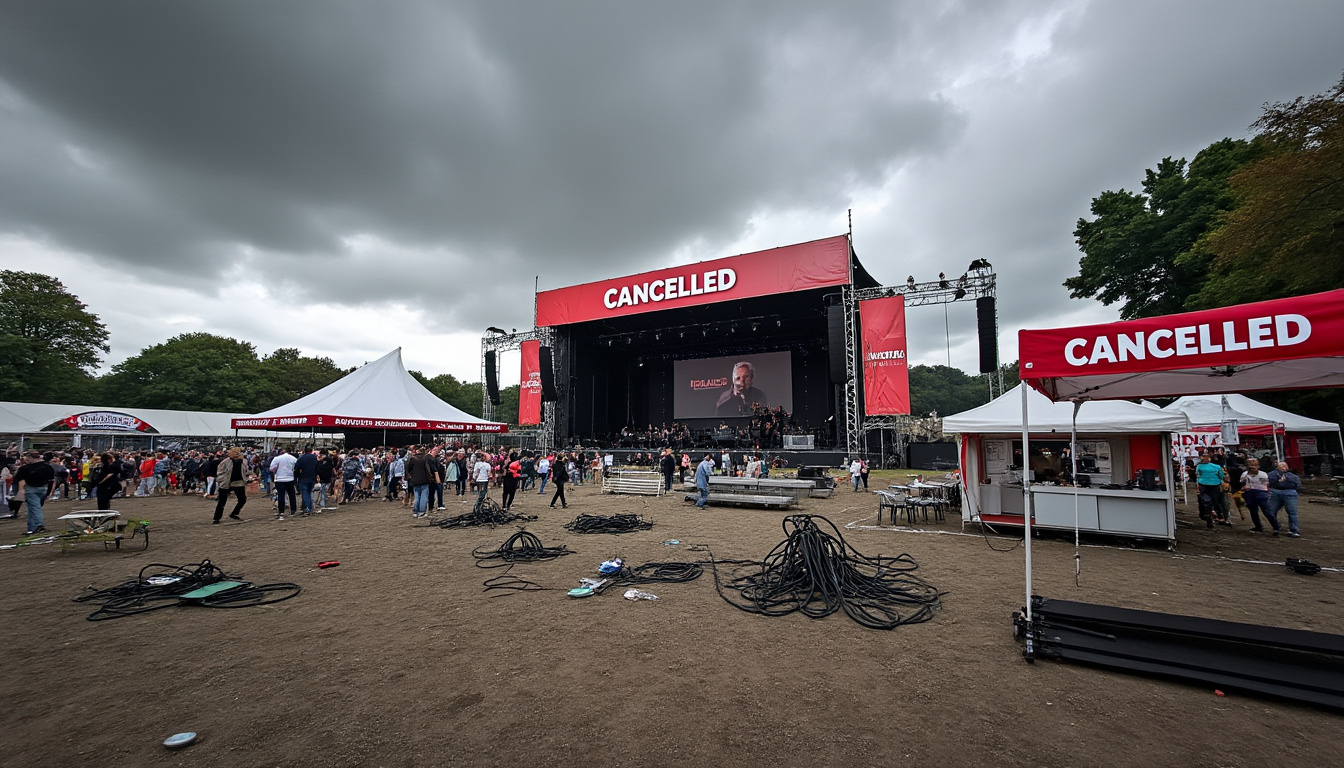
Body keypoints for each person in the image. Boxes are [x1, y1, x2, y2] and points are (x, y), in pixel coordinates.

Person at [13, 450, 55, 535]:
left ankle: (40, 525)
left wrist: (20, 491)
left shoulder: (24, 469)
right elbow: (51, 480)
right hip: (44, 488)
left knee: (35, 508)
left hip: (31, 489)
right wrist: (49, 492)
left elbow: (18, 480)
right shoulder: (47, 467)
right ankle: (31, 528)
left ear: (30, 457)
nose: (25, 460)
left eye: (26, 458)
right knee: (33, 508)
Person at [213, 446, 251, 523]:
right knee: (222, 501)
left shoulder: (244, 461)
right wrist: (221, 479)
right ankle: (217, 518)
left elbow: (246, 471)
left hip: (239, 482)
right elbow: (220, 471)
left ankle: (234, 513)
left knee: (242, 500)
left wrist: (248, 477)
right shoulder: (225, 461)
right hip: (226, 483)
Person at [1239, 458, 1277, 535]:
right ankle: (1261, 526)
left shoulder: (1262, 474)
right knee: (1254, 512)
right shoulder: (1245, 474)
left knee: (1266, 512)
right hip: (1253, 493)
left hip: (1260, 493)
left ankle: (1275, 527)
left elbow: (1265, 485)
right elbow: (1243, 485)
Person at [1266, 461, 1302, 538]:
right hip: (1275, 491)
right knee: (1271, 511)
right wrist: (1278, 481)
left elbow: (1298, 485)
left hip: (1290, 492)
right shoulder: (1271, 474)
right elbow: (1268, 483)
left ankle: (1293, 530)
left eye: (1285, 466)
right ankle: (1276, 527)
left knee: (1292, 512)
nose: (1283, 467)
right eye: (1281, 466)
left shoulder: (1293, 476)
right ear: (1277, 467)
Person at [1193, 452, 1227, 529]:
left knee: (1206, 501)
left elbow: (1197, 475)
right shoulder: (1217, 466)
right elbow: (1221, 475)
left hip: (1203, 484)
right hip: (1215, 484)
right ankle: (1220, 516)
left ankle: (1209, 518)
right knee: (1215, 501)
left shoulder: (1199, 466)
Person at [404, 445, 436, 518]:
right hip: (425, 480)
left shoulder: (413, 458)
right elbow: (428, 469)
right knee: (423, 497)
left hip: (415, 480)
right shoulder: (426, 458)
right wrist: (431, 477)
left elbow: (408, 468)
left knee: (417, 497)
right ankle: (422, 511)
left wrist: (410, 475)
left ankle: (415, 511)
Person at [269, 447, 298, 520]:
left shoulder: (276, 459)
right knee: (292, 495)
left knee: (281, 496)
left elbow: (271, 469)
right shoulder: (293, 458)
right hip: (290, 479)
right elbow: (297, 467)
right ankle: (293, 510)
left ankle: (281, 511)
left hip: (279, 479)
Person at [294, 446, 319, 516]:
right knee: (310, 492)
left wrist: (297, 476)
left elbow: (297, 468)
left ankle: (307, 508)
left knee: (305, 493)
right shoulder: (314, 458)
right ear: (311, 451)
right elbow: (317, 467)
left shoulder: (301, 458)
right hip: (312, 477)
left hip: (303, 478)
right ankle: (310, 507)